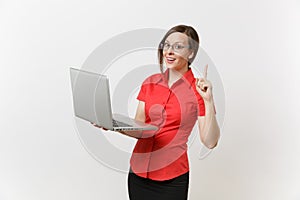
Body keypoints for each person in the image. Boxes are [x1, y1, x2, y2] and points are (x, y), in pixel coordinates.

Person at [93, 24, 220, 200]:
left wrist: (208, 99)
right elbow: (139, 129)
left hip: (172, 178)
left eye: (178, 47)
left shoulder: (199, 89)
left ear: (190, 53)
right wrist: (112, 124)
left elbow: (210, 142)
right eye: (166, 45)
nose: (168, 51)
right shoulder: (150, 82)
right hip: (138, 173)